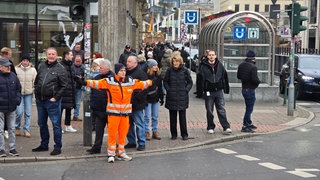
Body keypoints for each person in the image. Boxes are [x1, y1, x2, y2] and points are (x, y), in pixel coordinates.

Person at [83, 63, 152, 163]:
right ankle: (111, 154)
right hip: (113, 114)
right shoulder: (109, 81)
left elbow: (141, 84)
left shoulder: (130, 81)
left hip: (125, 115)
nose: (123, 72)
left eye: (124, 71)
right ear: (117, 72)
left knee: (122, 134)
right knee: (112, 134)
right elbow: (97, 83)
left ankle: (121, 152)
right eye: (121, 71)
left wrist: (151, 82)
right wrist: (84, 82)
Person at [32, 47, 68, 156]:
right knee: (41, 123)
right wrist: (36, 93)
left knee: (56, 124)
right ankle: (44, 144)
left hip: (52, 101)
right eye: (49, 54)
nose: (51, 56)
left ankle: (57, 147)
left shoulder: (60, 68)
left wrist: (56, 97)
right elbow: (37, 80)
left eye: (53, 54)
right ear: (46, 55)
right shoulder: (41, 66)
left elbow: (64, 85)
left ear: (56, 55)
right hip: (40, 100)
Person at [200, 50, 232, 135]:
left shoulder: (220, 65)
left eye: (213, 55)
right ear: (207, 56)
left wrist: (226, 89)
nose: (211, 56)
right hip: (209, 91)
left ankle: (226, 127)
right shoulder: (203, 66)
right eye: (210, 55)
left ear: (215, 56)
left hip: (219, 90)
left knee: (221, 109)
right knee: (209, 110)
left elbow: (224, 77)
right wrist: (201, 91)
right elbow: (200, 79)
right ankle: (210, 127)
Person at [86, 59, 114, 154]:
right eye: (100, 68)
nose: (100, 69)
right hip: (98, 109)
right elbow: (93, 91)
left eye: (101, 68)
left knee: (112, 131)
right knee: (99, 130)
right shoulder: (97, 77)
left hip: (110, 110)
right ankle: (97, 147)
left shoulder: (113, 78)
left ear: (107, 68)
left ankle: (113, 147)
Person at [163, 52, 193, 140]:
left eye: (177, 62)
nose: (175, 63)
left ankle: (184, 134)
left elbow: (190, 82)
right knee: (172, 117)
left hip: (182, 96)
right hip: (171, 96)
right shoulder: (169, 70)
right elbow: (165, 81)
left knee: (182, 117)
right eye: (174, 62)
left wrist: (186, 90)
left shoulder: (185, 70)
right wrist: (168, 90)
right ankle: (174, 134)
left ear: (180, 62)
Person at [125, 55, 148, 151]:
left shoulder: (141, 74)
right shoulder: (125, 73)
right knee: (128, 124)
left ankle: (141, 142)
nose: (127, 63)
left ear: (135, 63)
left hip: (137, 104)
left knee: (139, 124)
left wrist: (136, 98)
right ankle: (131, 141)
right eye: (127, 61)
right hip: (126, 104)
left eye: (129, 61)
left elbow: (145, 89)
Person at [0, 57, 21, 157]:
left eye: (9, 65)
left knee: (12, 128)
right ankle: (1, 149)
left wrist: (17, 99)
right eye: (6, 66)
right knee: (0, 130)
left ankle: (12, 148)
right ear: (0, 67)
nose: (8, 67)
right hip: (0, 108)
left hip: (12, 107)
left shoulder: (13, 76)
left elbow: (18, 89)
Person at [237, 50, 261, 133]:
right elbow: (255, 79)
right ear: (254, 58)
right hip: (250, 89)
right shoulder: (253, 67)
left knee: (248, 107)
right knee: (249, 109)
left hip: (244, 88)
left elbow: (238, 76)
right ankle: (245, 125)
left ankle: (249, 122)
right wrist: (258, 82)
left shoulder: (241, 65)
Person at [15, 54, 37, 138]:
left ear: (29, 61)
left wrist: (33, 88)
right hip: (19, 94)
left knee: (28, 113)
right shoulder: (16, 69)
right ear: (21, 61)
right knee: (19, 112)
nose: (25, 62)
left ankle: (26, 130)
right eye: (23, 60)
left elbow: (35, 81)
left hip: (29, 94)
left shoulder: (33, 70)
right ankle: (17, 127)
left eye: (27, 61)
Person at [144, 59, 164, 141]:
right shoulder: (146, 76)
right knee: (147, 116)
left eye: (156, 65)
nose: (156, 67)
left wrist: (161, 97)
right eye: (154, 65)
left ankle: (155, 131)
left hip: (155, 98)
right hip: (148, 99)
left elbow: (160, 88)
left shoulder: (158, 76)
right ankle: (146, 131)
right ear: (150, 67)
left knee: (155, 116)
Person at [60, 50, 77, 133]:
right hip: (63, 91)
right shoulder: (61, 65)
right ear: (66, 55)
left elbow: (72, 76)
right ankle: (59, 126)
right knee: (60, 109)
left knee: (69, 109)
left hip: (70, 90)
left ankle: (68, 125)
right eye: (71, 55)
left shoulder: (71, 65)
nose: (72, 56)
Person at [72, 55, 85, 121]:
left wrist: (81, 77)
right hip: (71, 87)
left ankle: (75, 115)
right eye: (76, 61)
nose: (78, 62)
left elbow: (85, 76)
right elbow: (71, 75)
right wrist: (77, 77)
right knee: (70, 102)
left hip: (79, 86)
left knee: (78, 102)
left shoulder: (83, 67)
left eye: (79, 61)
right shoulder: (71, 67)